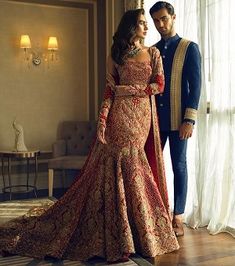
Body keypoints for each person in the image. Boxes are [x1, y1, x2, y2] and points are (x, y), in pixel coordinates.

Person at [0, 8, 179, 263]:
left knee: (135, 164)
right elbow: (109, 92)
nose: (146, 27)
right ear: (130, 26)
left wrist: (128, 90)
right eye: (141, 23)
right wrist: (103, 121)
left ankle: (140, 231)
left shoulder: (153, 53)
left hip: (141, 117)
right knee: (119, 165)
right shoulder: (115, 55)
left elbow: (159, 86)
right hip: (118, 115)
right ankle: (121, 233)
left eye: (145, 23)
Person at [149, 1, 201, 237]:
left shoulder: (189, 47)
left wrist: (189, 120)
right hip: (154, 121)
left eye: (164, 19)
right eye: (156, 21)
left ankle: (177, 217)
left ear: (173, 17)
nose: (160, 24)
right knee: (151, 166)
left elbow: (196, 86)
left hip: (179, 120)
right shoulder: (152, 51)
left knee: (179, 166)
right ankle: (154, 213)